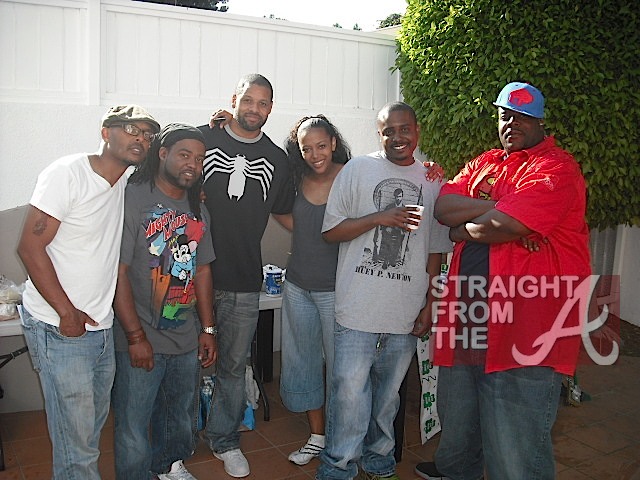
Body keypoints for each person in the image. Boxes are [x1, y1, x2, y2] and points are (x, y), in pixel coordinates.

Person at [415, 82, 591, 480]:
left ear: (541, 121)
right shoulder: (486, 162)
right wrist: (498, 207)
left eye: (523, 116)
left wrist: (466, 227)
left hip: (526, 325)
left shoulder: (556, 168)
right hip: (467, 316)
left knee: (515, 445)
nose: (512, 123)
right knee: (459, 420)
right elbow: (444, 206)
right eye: (505, 115)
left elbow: (505, 226)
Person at [17, 105, 160, 479]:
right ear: (106, 132)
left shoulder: (124, 181)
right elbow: (29, 248)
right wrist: (66, 313)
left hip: (99, 326)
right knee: (76, 444)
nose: (141, 139)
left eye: (147, 134)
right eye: (132, 129)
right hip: (60, 327)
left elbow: (178, 161)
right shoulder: (67, 174)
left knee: (88, 434)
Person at [316, 101, 452, 480]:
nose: (397, 137)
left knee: (388, 397)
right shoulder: (358, 169)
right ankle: (338, 467)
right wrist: (380, 217)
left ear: (417, 131)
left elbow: (436, 250)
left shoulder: (433, 181)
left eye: (404, 129)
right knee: (348, 393)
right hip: (357, 307)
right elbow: (331, 232)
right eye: (388, 131)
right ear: (379, 135)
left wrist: (430, 304)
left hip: (404, 310)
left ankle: (379, 462)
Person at [199, 73, 295, 478]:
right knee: (181, 364)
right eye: (248, 100)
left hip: (242, 277)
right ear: (234, 99)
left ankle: (224, 439)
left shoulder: (277, 159)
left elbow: (286, 212)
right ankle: (175, 443)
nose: (255, 109)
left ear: (271, 108)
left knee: (234, 366)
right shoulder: (203, 139)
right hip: (190, 276)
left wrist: (330, 235)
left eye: (263, 102)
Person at [111, 123, 217, 480]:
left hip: (184, 338)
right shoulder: (133, 198)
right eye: (184, 155)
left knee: (177, 419)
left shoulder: (198, 208)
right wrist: (135, 337)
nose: (192, 164)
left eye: (199, 159)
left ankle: (168, 467)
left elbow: (202, 270)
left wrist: (208, 329)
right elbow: (119, 272)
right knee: (133, 427)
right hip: (141, 337)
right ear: (162, 154)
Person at [277, 115, 351, 466]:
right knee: (303, 363)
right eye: (306, 148)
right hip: (297, 287)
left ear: (333, 143)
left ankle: (340, 442)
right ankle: (317, 438)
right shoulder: (297, 177)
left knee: (341, 371)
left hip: (337, 291)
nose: (315, 154)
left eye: (321, 146)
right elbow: (283, 213)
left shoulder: (351, 176)